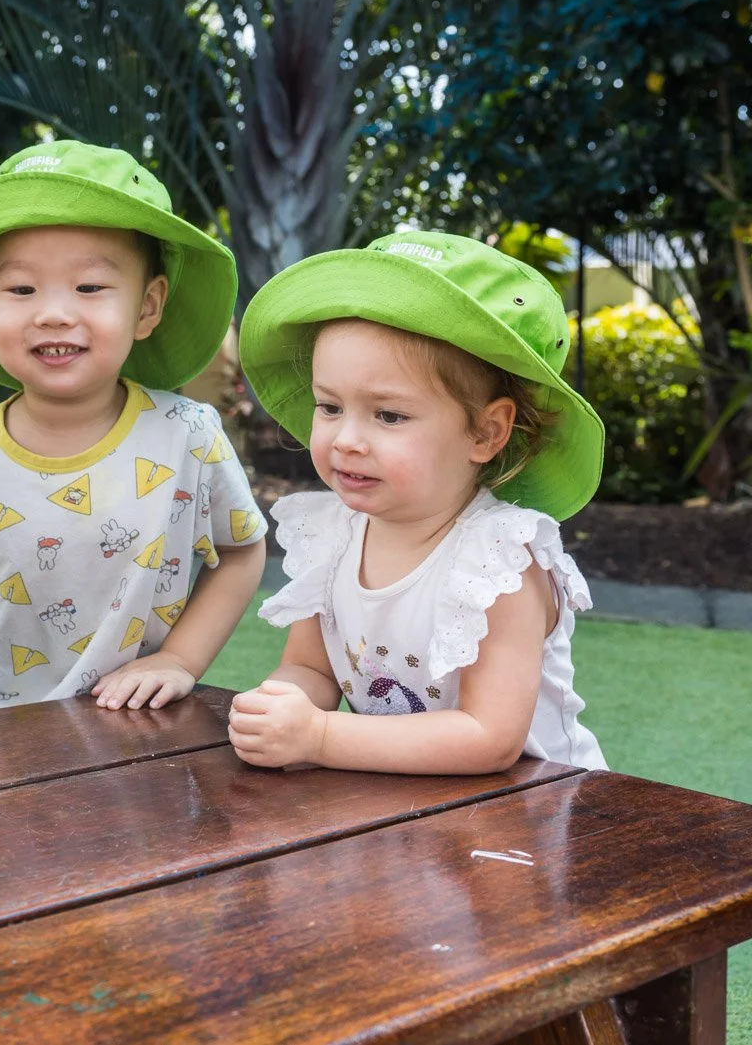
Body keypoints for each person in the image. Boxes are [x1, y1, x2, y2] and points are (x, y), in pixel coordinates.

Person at [0, 141, 269, 716]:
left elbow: (241, 551)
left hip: (140, 723)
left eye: (89, 288)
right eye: (21, 289)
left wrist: (180, 659)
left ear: (147, 307)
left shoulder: (186, 435)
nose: (54, 312)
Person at [227, 231, 608, 773]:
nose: (347, 439)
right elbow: (311, 670)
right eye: (329, 407)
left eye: (389, 416)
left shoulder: (496, 563)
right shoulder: (332, 536)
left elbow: (489, 737)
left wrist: (320, 736)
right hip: (406, 806)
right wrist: (278, 707)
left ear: (485, 432)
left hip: (533, 815)